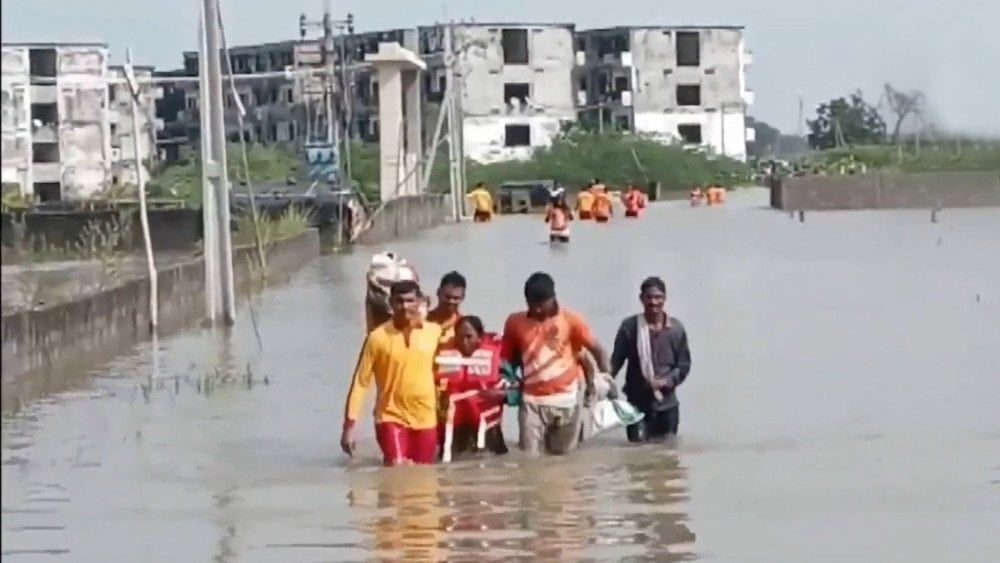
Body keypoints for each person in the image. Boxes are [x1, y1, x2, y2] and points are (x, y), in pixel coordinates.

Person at [501, 272, 610, 456]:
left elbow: (597, 350)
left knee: (561, 459)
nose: (535, 309)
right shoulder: (515, 323)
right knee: (529, 459)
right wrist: (505, 381)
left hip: (567, 399)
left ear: (552, 299)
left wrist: (605, 378)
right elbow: (506, 358)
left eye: (540, 304)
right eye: (531, 303)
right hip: (531, 402)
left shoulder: (571, 320)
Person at [341, 280, 443, 466]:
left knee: (423, 476)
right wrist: (349, 425)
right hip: (390, 416)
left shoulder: (434, 333)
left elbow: (449, 366)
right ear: (391, 303)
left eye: (410, 301)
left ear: (420, 301)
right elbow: (361, 382)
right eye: (399, 301)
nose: (405, 307)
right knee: (395, 467)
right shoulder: (377, 337)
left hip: (425, 416)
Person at [610, 276, 692, 442]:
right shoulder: (630, 328)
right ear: (641, 299)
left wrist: (666, 381)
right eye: (649, 297)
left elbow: (683, 365)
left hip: (667, 406)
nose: (653, 302)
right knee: (637, 455)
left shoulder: (676, 329)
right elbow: (615, 363)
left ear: (665, 298)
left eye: (658, 297)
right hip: (636, 406)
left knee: (667, 457)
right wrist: (601, 386)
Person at [435, 315, 509, 460]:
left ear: (480, 337)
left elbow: (516, 387)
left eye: (469, 337)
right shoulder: (442, 357)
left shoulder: (497, 357)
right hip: (455, 427)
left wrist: (501, 393)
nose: (464, 342)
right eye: (460, 337)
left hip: (487, 427)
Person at [425, 271, 466, 344]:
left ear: (462, 297)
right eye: (447, 297)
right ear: (438, 292)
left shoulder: (464, 326)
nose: (451, 301)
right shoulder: (423, 320)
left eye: (455, 298)